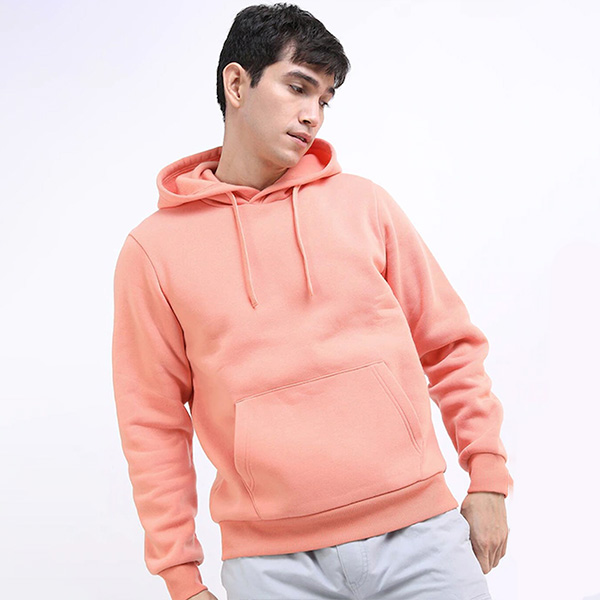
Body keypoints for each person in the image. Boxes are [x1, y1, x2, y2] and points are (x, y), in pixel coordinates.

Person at [111, 3, 514, 600]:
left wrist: (487, 476)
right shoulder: (154, 251)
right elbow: (152, 421)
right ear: (237, 84)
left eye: (325, 100)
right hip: (272, 566)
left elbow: (449, 344)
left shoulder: (364, 205)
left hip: (421, 535)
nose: (312, 115)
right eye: (298, 88)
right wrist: (180, 577)